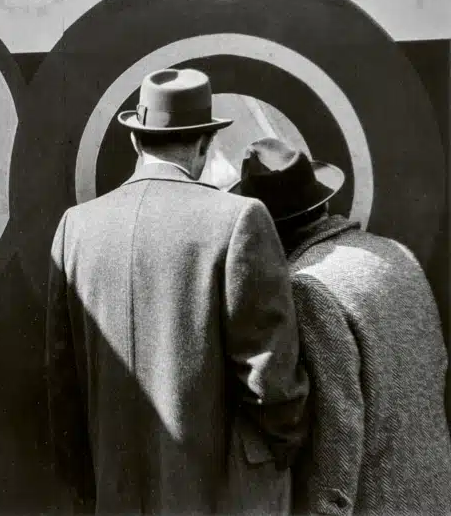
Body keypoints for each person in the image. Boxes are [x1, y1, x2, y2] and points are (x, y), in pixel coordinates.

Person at [45, 69, 309, 514]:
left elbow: (62, 379)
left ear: (135, 141)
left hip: (114, 492)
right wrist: (281, 451)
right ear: (205, 145)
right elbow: (270, 379)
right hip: (216, 494)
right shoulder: (238, 219)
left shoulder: (76, 227)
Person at [231, 137, 451, 514]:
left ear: (266, 232)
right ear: (322, 200)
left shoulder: (306, 287)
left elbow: (338, 431)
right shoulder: (394, 253)